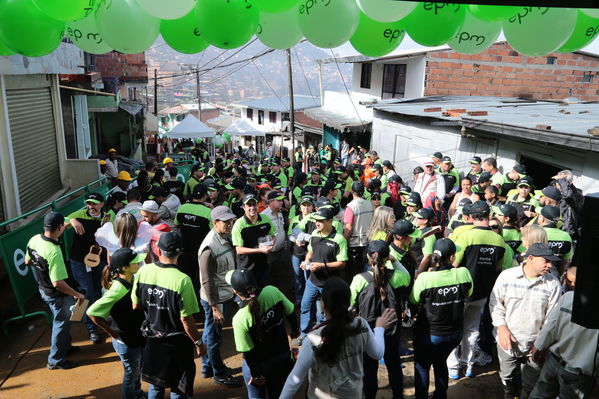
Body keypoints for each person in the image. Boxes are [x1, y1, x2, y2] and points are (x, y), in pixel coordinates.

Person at [280, 277, 396, 399]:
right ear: (348, 301)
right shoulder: (361, 325)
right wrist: (379, 328)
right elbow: (377, 354)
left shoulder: (314, 339)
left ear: (323, 303)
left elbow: (294, 381)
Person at [132, 232, 206, 399]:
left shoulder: (144, 271)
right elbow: (186, 319)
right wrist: (198, 342)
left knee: (156, 384)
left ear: (157, 249)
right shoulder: (183, 280)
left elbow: (135, 305)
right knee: (178, 387)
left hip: (152, 339)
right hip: (177, 344)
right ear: (180, 253)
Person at [447, 201, 511, 379]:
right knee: (472, 330)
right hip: (483, 292)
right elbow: (499, 267)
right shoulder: (499, 240)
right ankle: (468, 366)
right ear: (489, 216)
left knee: (454, 328)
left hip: (461, 292)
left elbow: (454, 264)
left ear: (471, 217)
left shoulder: (466, 237)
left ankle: (453, 367)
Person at [490, 243, 561, 399]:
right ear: (530, 258)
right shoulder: (507, 277)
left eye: (551, 262)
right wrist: (501, 328)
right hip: (507, 345)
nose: (549, 265)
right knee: (508, 379)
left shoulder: (553, 284)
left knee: (529, 385)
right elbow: (495, 304)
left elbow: (552, 319)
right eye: (546, 261)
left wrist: (541, 343)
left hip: (534, 347)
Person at [410, 239, 473, 399]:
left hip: (430, 334)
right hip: (455, 334)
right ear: (452, 257)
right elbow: (468, 293)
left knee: (423, 367)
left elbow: (414, 300)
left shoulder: (425, 279)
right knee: (440, 362)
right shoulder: (463, 273)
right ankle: (440, 395)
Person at [350, 240, 410, 399]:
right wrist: (395, 260)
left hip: (367, 331)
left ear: (368, 256)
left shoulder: (359, 279)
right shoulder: (397, 277)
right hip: (391, 330)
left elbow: (349, 305)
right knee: (394, 365)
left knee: (369, 369)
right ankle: (398, 396)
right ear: (386, 257)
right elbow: (407, 276)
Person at [26, 212, 85, 370]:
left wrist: (42, 269)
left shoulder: (34, 239)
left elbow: (27, 261)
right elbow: (58, 283)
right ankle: (55, 360)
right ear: (59, 228)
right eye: (63, 226)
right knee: (61, 324)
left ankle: (65, 347)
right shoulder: (54, 251)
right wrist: (76, 294)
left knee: (63, 322)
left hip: (43, 289)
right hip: (57, 294)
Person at [227, 268, 299, 399]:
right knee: (278, 394)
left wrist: (256, 375)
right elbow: (291, 313)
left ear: (235, 291)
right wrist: (294, 336)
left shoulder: (239, 318)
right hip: (282, 359)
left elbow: (248, 352)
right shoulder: (272, 291)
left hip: (260, 366)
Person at [87, 248, 146, 399]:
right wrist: (112, 333)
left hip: (135, 335)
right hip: (125, 341)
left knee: (137, 370)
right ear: (125, 268)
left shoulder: (131, 278)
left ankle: (137, 393)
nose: (139, 262)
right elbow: (92, 312)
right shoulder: (117, 289)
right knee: (131, 374)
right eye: (136, 261)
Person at [198, 206, 241, 388]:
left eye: (231, 221)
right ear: (215, 223)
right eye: (226, 222)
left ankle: (208, 366)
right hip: (214, 299)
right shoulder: (209, 248)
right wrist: (214, 307)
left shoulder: (224, 236)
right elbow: (206, 280)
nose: (230, 224)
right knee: (214, 338)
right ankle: (219, 374)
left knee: (210, 334)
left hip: (223, 293)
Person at [529, 290, 599, 399]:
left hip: (554, 362)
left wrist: (538, 346)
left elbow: (550, 326)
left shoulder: (569, 296)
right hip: (576, 373)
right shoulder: (569, 296)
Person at [66, 192, 112, 344]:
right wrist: (72, 220)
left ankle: (99, 319)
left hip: (99, 259)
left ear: (101, 204)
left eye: (94, 203)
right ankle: (90, 328)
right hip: (79, 261)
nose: (91, 206)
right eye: (89, 203)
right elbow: (62, 221)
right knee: (86, 292)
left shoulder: (108, 217)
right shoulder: (79, 214)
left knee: (100, 290)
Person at [299, 206, 348, 342]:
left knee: (325, 312)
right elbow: (310, 250)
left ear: (330, 221)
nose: (317, 223)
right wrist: (307, 260)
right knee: (305, 306)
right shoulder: (314, 234)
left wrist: (323, 265)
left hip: (329, 283)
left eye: (320, 221)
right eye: (316, 220)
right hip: (313, 281)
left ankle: (325, 335)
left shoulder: (339, 239)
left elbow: (342, 263)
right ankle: (304, 333)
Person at [174, 183, 212, 293]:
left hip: (184, 250)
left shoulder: (182, 208)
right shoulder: (208, 212)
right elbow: (214, 231)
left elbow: (176, 225)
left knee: (185, 276)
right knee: (199, 280)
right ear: (205, 195)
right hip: (201, 252)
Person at [232, 194, 276, 289]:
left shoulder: (265, 219)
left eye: (254, 204)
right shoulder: (239, 224)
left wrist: (272, 243)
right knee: (251, 297)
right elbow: (238, 250)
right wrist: (259, 250)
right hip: (246, 268)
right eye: (249, 205)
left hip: (263, 266)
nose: (252, 208)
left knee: (265, 292)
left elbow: (273, 235)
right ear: (244, 207)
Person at [261, 190, 294, 301]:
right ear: (270, 201)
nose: (281, 202)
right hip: (270, 254)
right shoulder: (264, 216)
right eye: (278, 200)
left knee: (283, 279)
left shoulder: (280, 213)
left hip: (281, 252)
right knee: (271, 280)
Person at [344, 181, 374, 282]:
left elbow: (348, 228)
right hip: (368, 243)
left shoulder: (351, 207)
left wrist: (343, 242)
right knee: (365, 272)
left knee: (354, 275)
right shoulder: (370, 204)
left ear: (352, 191)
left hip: (354, 245)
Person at [289, 195, 315, 304]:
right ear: (300, 207)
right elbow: (290, 234)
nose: (306, 208)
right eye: (304, 206)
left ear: (312, 207)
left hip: (310, 253)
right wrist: (295, 240)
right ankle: (299, 299)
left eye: (308, 205)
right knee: (298, 277)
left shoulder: (315, 219)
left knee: (309, 278)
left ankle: (310, 300)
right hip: (297, 252)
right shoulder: (295, 220)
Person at [538, 205, 574, 273]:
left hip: (536, 274)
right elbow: (565, 261)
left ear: (542, 218)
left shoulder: (534, 233)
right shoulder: (566, 236)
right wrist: (559, 275)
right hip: (555, 274)